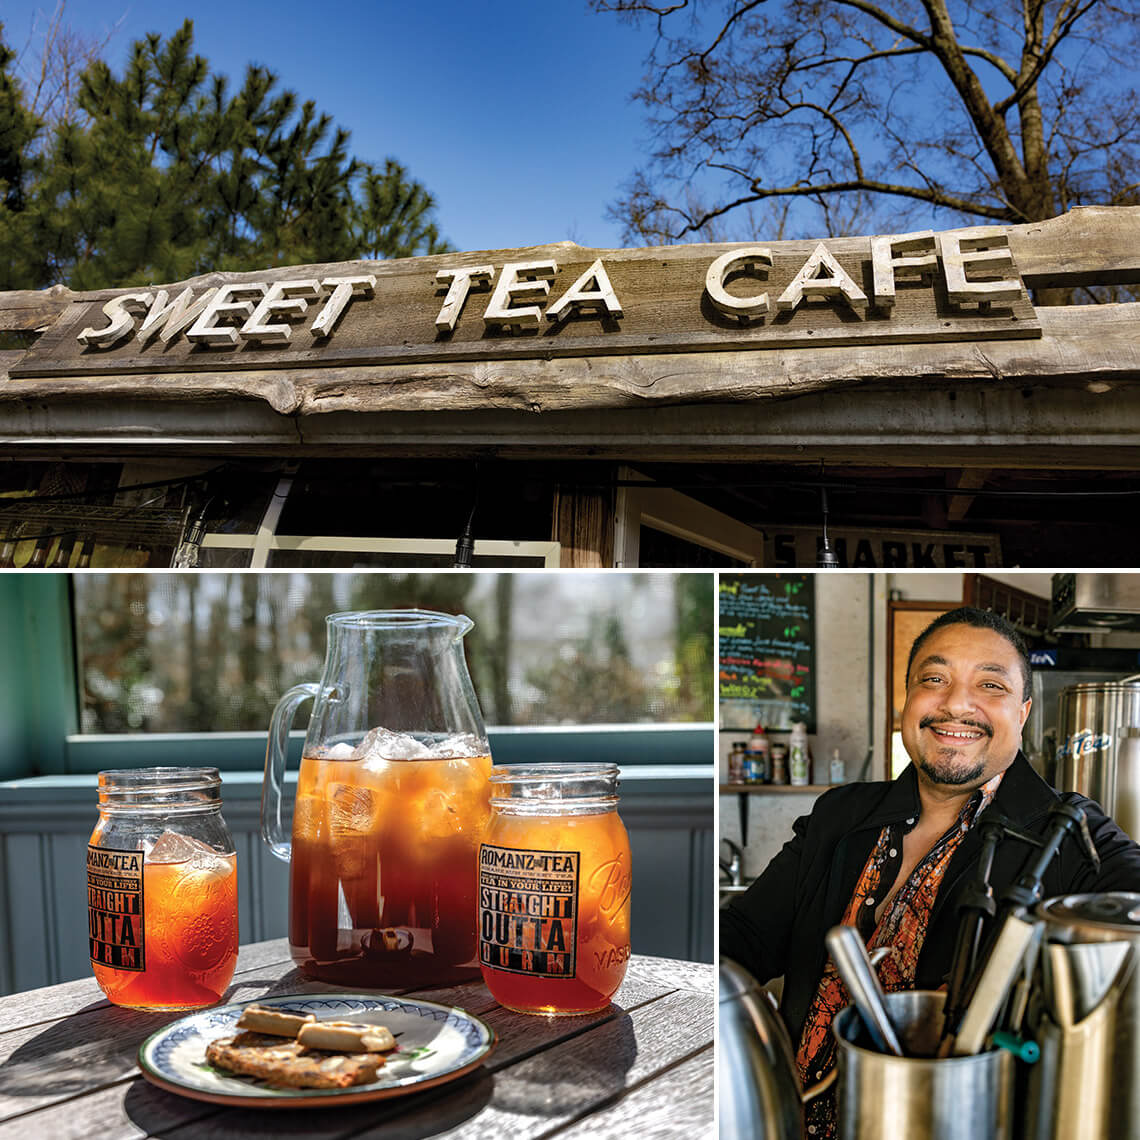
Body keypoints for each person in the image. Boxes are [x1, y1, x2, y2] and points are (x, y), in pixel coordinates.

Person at [720, 606, 1140, 1137]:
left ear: (1024, 712)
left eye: (990, 685)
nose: (956, 704)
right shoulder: (839, 815)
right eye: (934, 679)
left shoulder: (1072, 833)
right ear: (907, 703)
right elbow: (741, 940)